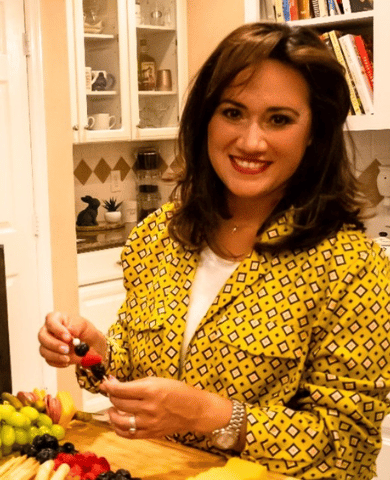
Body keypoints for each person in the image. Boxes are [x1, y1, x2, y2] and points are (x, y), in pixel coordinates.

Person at [38, 22, 390, 480]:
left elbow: (349, 450)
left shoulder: (352, 270)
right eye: (233, 112)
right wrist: (91, 348)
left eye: (279, 119)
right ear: (206, 119)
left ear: (314, 134)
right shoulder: (158, 237)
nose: (250, 141)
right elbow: (133, 367)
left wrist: (214, 415)